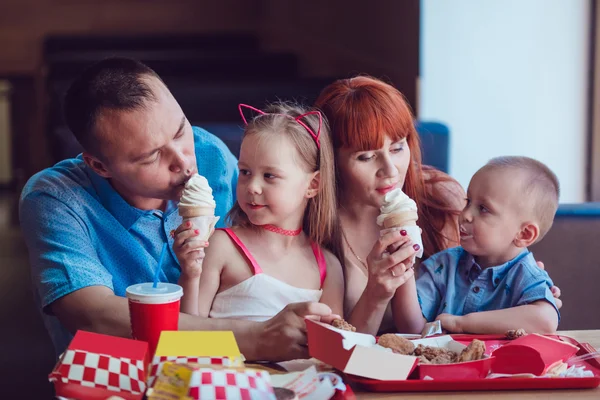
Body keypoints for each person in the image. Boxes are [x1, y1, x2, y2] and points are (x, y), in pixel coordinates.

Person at [19, 57, 336, 360]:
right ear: (99, 165)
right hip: (122, 377)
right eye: (151, 157)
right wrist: (257, 338)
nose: (185, 162)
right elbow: (93, 316)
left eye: (181, 130)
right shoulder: (55, 197)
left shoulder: (212, 155)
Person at [314, 76, 562, 335]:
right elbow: (340, 346)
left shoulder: (440, 198)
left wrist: (527, 299)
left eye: (398, 148)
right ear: (331, 160)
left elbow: (477, 283)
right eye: (366, 157)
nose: (390, 170)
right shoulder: (313, 228)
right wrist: (381, 290)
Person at [174, 103, 344, 323]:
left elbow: (336, 342)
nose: (252, 186)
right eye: (245, 172)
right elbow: (185, 336)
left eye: (269, 176)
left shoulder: (328, 266)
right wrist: (190, 274)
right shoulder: (221, 246)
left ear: (313, 184)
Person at [393, 156, 560, 334]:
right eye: (468, 201)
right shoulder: (443, 265)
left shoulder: (527, 275)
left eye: (483, 209)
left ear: (524, 234)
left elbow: (546, 320)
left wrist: (462, 324)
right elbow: (411, 329)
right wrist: (405, 267)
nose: (465, 214)